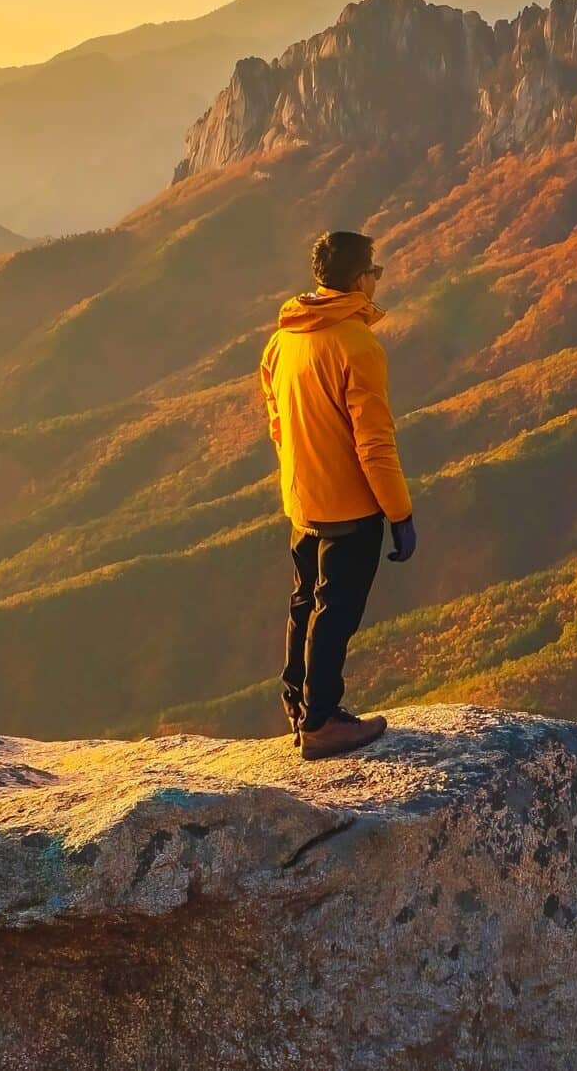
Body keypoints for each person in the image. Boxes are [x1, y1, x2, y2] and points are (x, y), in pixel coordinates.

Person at [260, 229, 418, 759]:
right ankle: (323, 720)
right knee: (336, 611)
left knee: (304, 602)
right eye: (375, 271)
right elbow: (374, 443)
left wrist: (301, 470)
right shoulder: (358, 345)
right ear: (357, 279)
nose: (378, 279)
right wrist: (400, 513)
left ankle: (298, 709)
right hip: (349, 505)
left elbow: (276, 417)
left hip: (302, 499)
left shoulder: (285, 337)